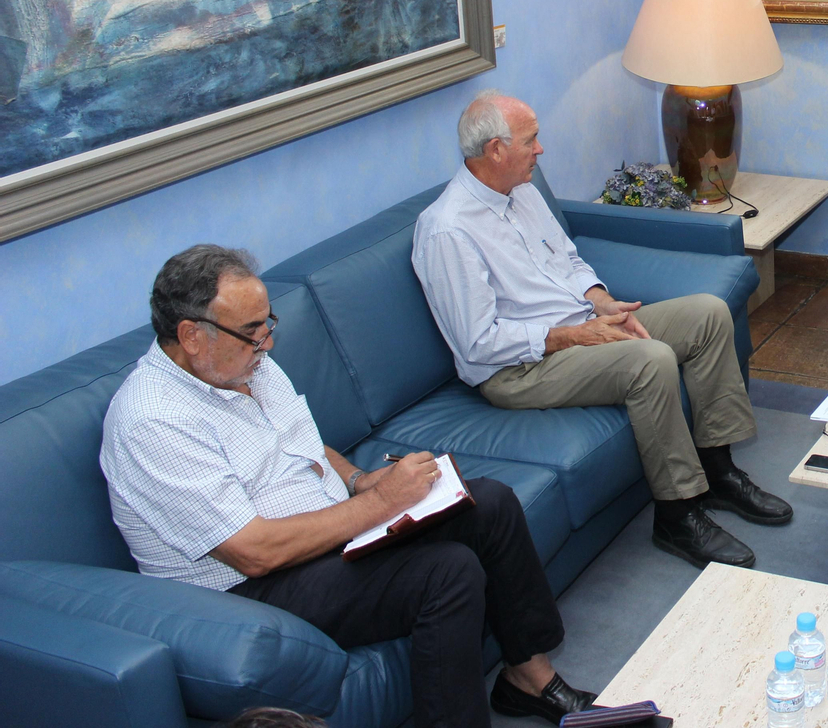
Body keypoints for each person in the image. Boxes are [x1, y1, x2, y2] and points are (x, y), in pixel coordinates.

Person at [100, 246, 595, 728]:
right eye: (253, 332)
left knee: (489, 502)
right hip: (249, 590)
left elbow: (304, 445)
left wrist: (361, 482)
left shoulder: (244, 362)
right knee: (446, 573)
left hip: (328, 536)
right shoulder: (153, 421)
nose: (267, 344)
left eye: (267, 325)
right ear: (190, 336)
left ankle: (528, 677)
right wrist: (383, 503)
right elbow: (253, 552)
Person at [412, 90, 793, 572]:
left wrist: (605, 305)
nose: (541, 150)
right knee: (649, 358)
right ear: (495, 150)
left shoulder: (523, 192)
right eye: (532, 140)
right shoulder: (447, 230)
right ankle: (677, 515)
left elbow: (568, 262)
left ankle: (718, 471)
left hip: (580, 328)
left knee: (708, 314)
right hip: (519, 367)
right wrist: (575, 336)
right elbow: (477, 342)